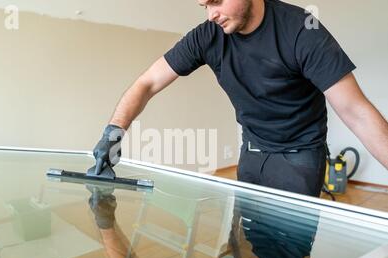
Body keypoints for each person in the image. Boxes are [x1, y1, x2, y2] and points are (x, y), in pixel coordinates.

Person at [92, 0, 388, 199]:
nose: (211, 14)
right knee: (246, 248)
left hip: (300, 156)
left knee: (285, 256)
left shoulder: (301, 29)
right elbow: (148, 82)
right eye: (205, 4)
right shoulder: (207, 35)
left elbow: (357, 112)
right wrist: (113, 133)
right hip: (252, 150)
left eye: (217, 0)